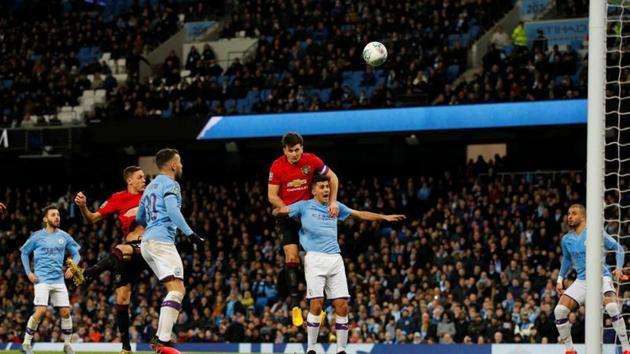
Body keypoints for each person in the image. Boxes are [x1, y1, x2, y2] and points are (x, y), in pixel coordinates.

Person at [273, 174, 405, 354]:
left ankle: (341, 350)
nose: (326, 190)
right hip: (315, 258)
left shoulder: (335, 207)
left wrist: (383, 217)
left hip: (335, 259)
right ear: (313, 191)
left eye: (327, 187)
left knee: (342, 305)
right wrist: (279, 211)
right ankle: (311, 348)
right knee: (317, 304)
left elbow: (359, 214)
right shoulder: (303, 207)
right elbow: (279, 211)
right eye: (322, 187)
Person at [136, 148, 206, 354]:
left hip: (147, 243)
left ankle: (163, 340)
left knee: (174, 289)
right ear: (174, 165)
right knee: (177, 291)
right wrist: (191, 234)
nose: (182, 166)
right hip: (161, 241)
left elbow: (140, 217)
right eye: (181, 162)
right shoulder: (171, 184)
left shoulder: (149, 188)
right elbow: (173, 210)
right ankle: (162, 341)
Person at [268, 132, 340, 326]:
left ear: (302, 147)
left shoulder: (312, 161)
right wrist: (289, 210)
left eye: (297, 149)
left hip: (310, 215)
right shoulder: (277, 166)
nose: (294, 154)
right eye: (290, 151)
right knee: (291, 257)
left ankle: (318, 306)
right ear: (285, 150)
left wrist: (332, 202)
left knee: (316, 260)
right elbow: (272, 196)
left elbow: (333, 177)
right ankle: (295, 306)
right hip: (289, 216)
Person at [72, 166, 146, 354]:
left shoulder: (150, 195)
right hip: (131, 251)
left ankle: (87, 273)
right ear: (129, 180)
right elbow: (92, 218)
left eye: (144, 177)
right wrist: (82, 207)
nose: (144, 180)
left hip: (149, 246)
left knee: (119, 249)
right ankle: (126, 348)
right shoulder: (118, 198)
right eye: (140, 177)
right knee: (122, 298)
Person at [555, 204, 630, 354]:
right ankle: (570, 350)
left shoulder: (596, 233)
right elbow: (567, 259)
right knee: (560, 311)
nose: (569, 216)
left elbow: (618, 248)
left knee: (612, 307)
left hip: (601, 277)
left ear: (583, 216)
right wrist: (560, 278)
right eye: (568, 213)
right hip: (582, 281)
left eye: (574, 213)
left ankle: (626, 348)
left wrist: (619, 268)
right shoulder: (566, 239)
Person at [20, 204, 81, 354]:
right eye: (53, 215)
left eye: (58, 215)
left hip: (59, 280)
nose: (57, 217)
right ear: (45, 219)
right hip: (42, 280)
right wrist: (29, 273)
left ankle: (67, 345)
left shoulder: (64, 236)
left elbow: (77, 254)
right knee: (41, 310)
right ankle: (26, 344)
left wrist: (73, 268)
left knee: (66, 312)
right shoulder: (36, 237)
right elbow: (24, 253)